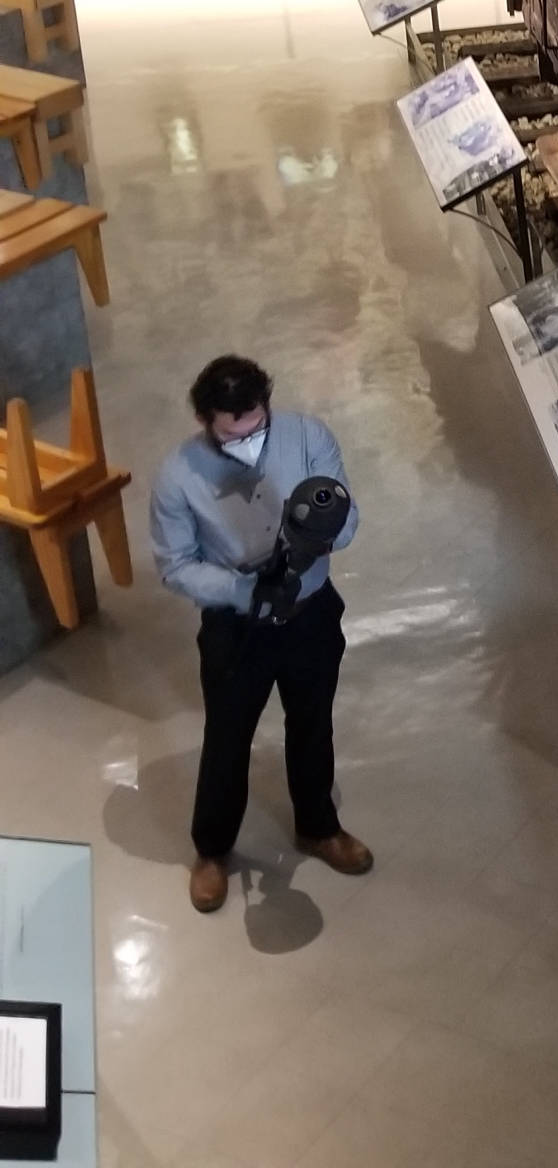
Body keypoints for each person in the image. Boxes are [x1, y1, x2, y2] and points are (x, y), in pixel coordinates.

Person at [150, 356, 371, 914]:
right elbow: (176, 565)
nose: (248, 440)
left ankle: (319, 827)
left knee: (313, 723)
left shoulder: (307, 437)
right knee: (227, 738)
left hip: (311, 612)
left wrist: (321, 535)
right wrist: (245, 591)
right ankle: (212, 851)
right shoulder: (178, 477)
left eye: (257, 427)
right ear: (206, 420)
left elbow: (344, 516)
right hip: (236, 624)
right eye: (232, 434)